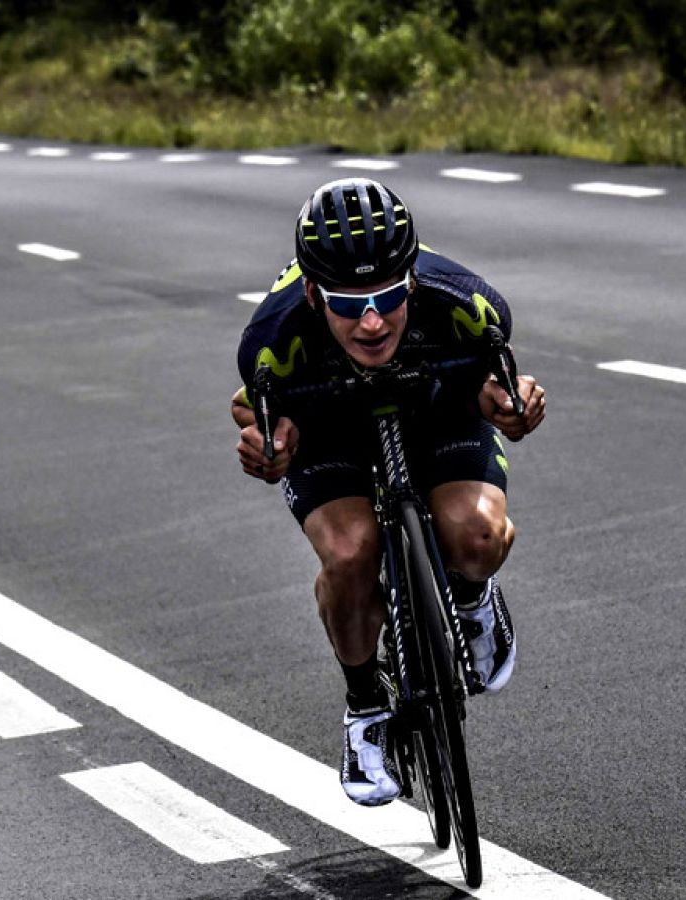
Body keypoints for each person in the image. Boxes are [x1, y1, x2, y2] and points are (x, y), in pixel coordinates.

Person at [231, 178, 546, 807]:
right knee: (349, 554)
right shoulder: (273, 337)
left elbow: (496, 381)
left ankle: (472, 598)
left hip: (436, 411)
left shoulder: (466, 303)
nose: (371, 320)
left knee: (477, 537)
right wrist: (270, 444)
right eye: (349, 304)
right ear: (314, 294)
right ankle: (365, 708)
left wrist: (512, 406)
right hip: (330, 433)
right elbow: (250, 407)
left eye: (387, 296)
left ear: (411, 279)